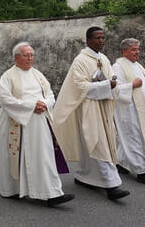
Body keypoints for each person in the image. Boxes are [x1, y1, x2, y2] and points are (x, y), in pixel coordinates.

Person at [53, 26, 130, 200]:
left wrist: (112, 84)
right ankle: (112, 187)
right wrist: (105, 86)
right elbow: (80, 86)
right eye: (97, 38)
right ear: (87, 40)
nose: (101, 40)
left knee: (92, 143)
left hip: (103, 106)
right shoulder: (80, 60)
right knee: (98, 143)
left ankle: (84, 176)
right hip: (88, 107)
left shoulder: (103, 58)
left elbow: (112, 79)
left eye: (103, 37)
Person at [0, 42, 73, 207]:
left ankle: (51, 193)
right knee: (15, 157)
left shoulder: (38, 75)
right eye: (26, 55)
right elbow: (4, 99)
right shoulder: (8, 76)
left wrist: (44, 104)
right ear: (16, 58)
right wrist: (31, 106)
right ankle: (12, 189)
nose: (30, 58)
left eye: (31, 55)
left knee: (43, 156)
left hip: (39, 124)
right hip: (16, 123)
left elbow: (50, 93)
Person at [112, 38, 145, 183]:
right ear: (124, 51)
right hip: (128, 108)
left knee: (126, 137)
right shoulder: (118, 67)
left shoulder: (137, 66)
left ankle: (121, 163)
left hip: (140, 107)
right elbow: (115, 89)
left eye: (138, 49)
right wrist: (132, 84)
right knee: (133, 137)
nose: (137, 52)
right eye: (133, 49)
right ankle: (141, 170)